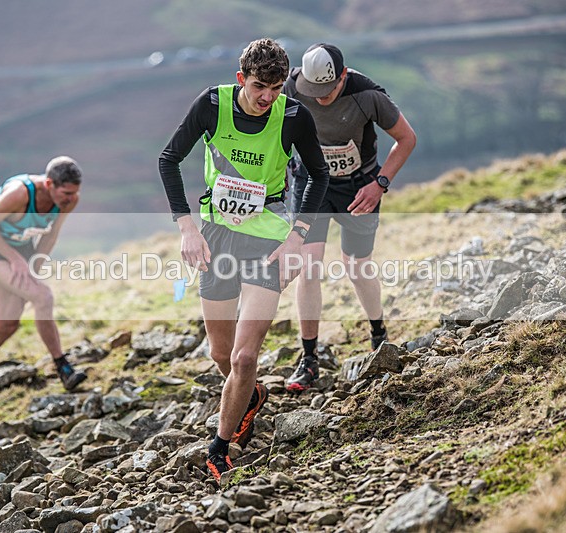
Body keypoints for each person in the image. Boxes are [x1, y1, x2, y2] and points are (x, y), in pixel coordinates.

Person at [158, 38, 330, 481]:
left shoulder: (293, 116)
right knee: (220, 352)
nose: (267, 98)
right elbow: (169, 159)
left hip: (268, 241)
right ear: (241, 80)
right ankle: (251, 398)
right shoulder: (211, 105)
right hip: (216, 235)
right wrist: (187, 228)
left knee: (243, 357)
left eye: (275, 88)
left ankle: (220, 446)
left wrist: (297, 237)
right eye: (259, 87)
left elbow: (319, 173)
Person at [283, 43, 417, 393]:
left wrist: (380, 184)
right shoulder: (291, 86)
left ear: (343, 76)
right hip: (310, 183)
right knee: (308, 266)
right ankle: (309, 358)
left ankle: (378, 336)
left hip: (358, 187)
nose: (321, 97)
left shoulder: (367, 94)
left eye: (328, 91)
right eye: (315, 92)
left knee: (356, 266)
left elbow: (406, 139)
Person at [0, 156, 87, 403]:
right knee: (43, 297)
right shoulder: (20, 193)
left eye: (74, 192)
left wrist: (35, 264)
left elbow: (51, 235)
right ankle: (63, 368)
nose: (70, 198)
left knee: (7, 324)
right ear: (49, 184)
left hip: (21, 250)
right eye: (66, 192)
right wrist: (15, 259)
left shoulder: (68, 200)